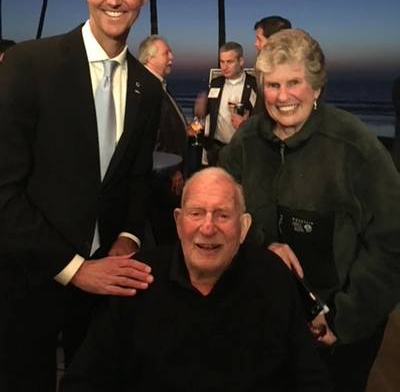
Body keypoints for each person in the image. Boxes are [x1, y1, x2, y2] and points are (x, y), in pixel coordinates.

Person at [0, 0, 162, 391]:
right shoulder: (28, 65)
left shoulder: (147, 90)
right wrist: (75, 269)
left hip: (105, 290)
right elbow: (3, 191)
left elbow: (135, 179)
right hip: (27, 281)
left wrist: (128, 239)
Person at [220, 28, 400, 392]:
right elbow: (220, 210)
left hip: (338, 329)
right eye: (272, 85)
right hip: (264, 317)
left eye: (294, 83)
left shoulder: (353, 144)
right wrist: (262, 243)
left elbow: (392, 242)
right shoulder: (248, 139)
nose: (282, 97)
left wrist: (344, 320)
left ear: (316, 88)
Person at [63, 167, 331, 392]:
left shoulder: (273, 277)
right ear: (178, 223)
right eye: (196, 213)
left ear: (244, 228)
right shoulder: (137, 278)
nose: (207, 227)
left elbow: (310, 378)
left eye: (223, 215)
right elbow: (83, 381)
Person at [138, 35, 191, 243]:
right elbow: (150, 136)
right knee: (164, 228)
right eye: (166, 53)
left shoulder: (157, 85)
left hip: (166, 172)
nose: (172, 57)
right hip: (161, 176)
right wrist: (172, 170)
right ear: (150, 58)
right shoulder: (147, 88)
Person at [197, 41, 257, 165]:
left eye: (229, 62)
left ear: (241, 61)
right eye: (222, 62)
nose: (224, 67)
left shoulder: (254, 85)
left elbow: (261, 118)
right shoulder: (215, 83)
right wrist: (200, 109)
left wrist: (246, 123)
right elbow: (207, 112)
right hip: (216, 149)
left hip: (243, 150)